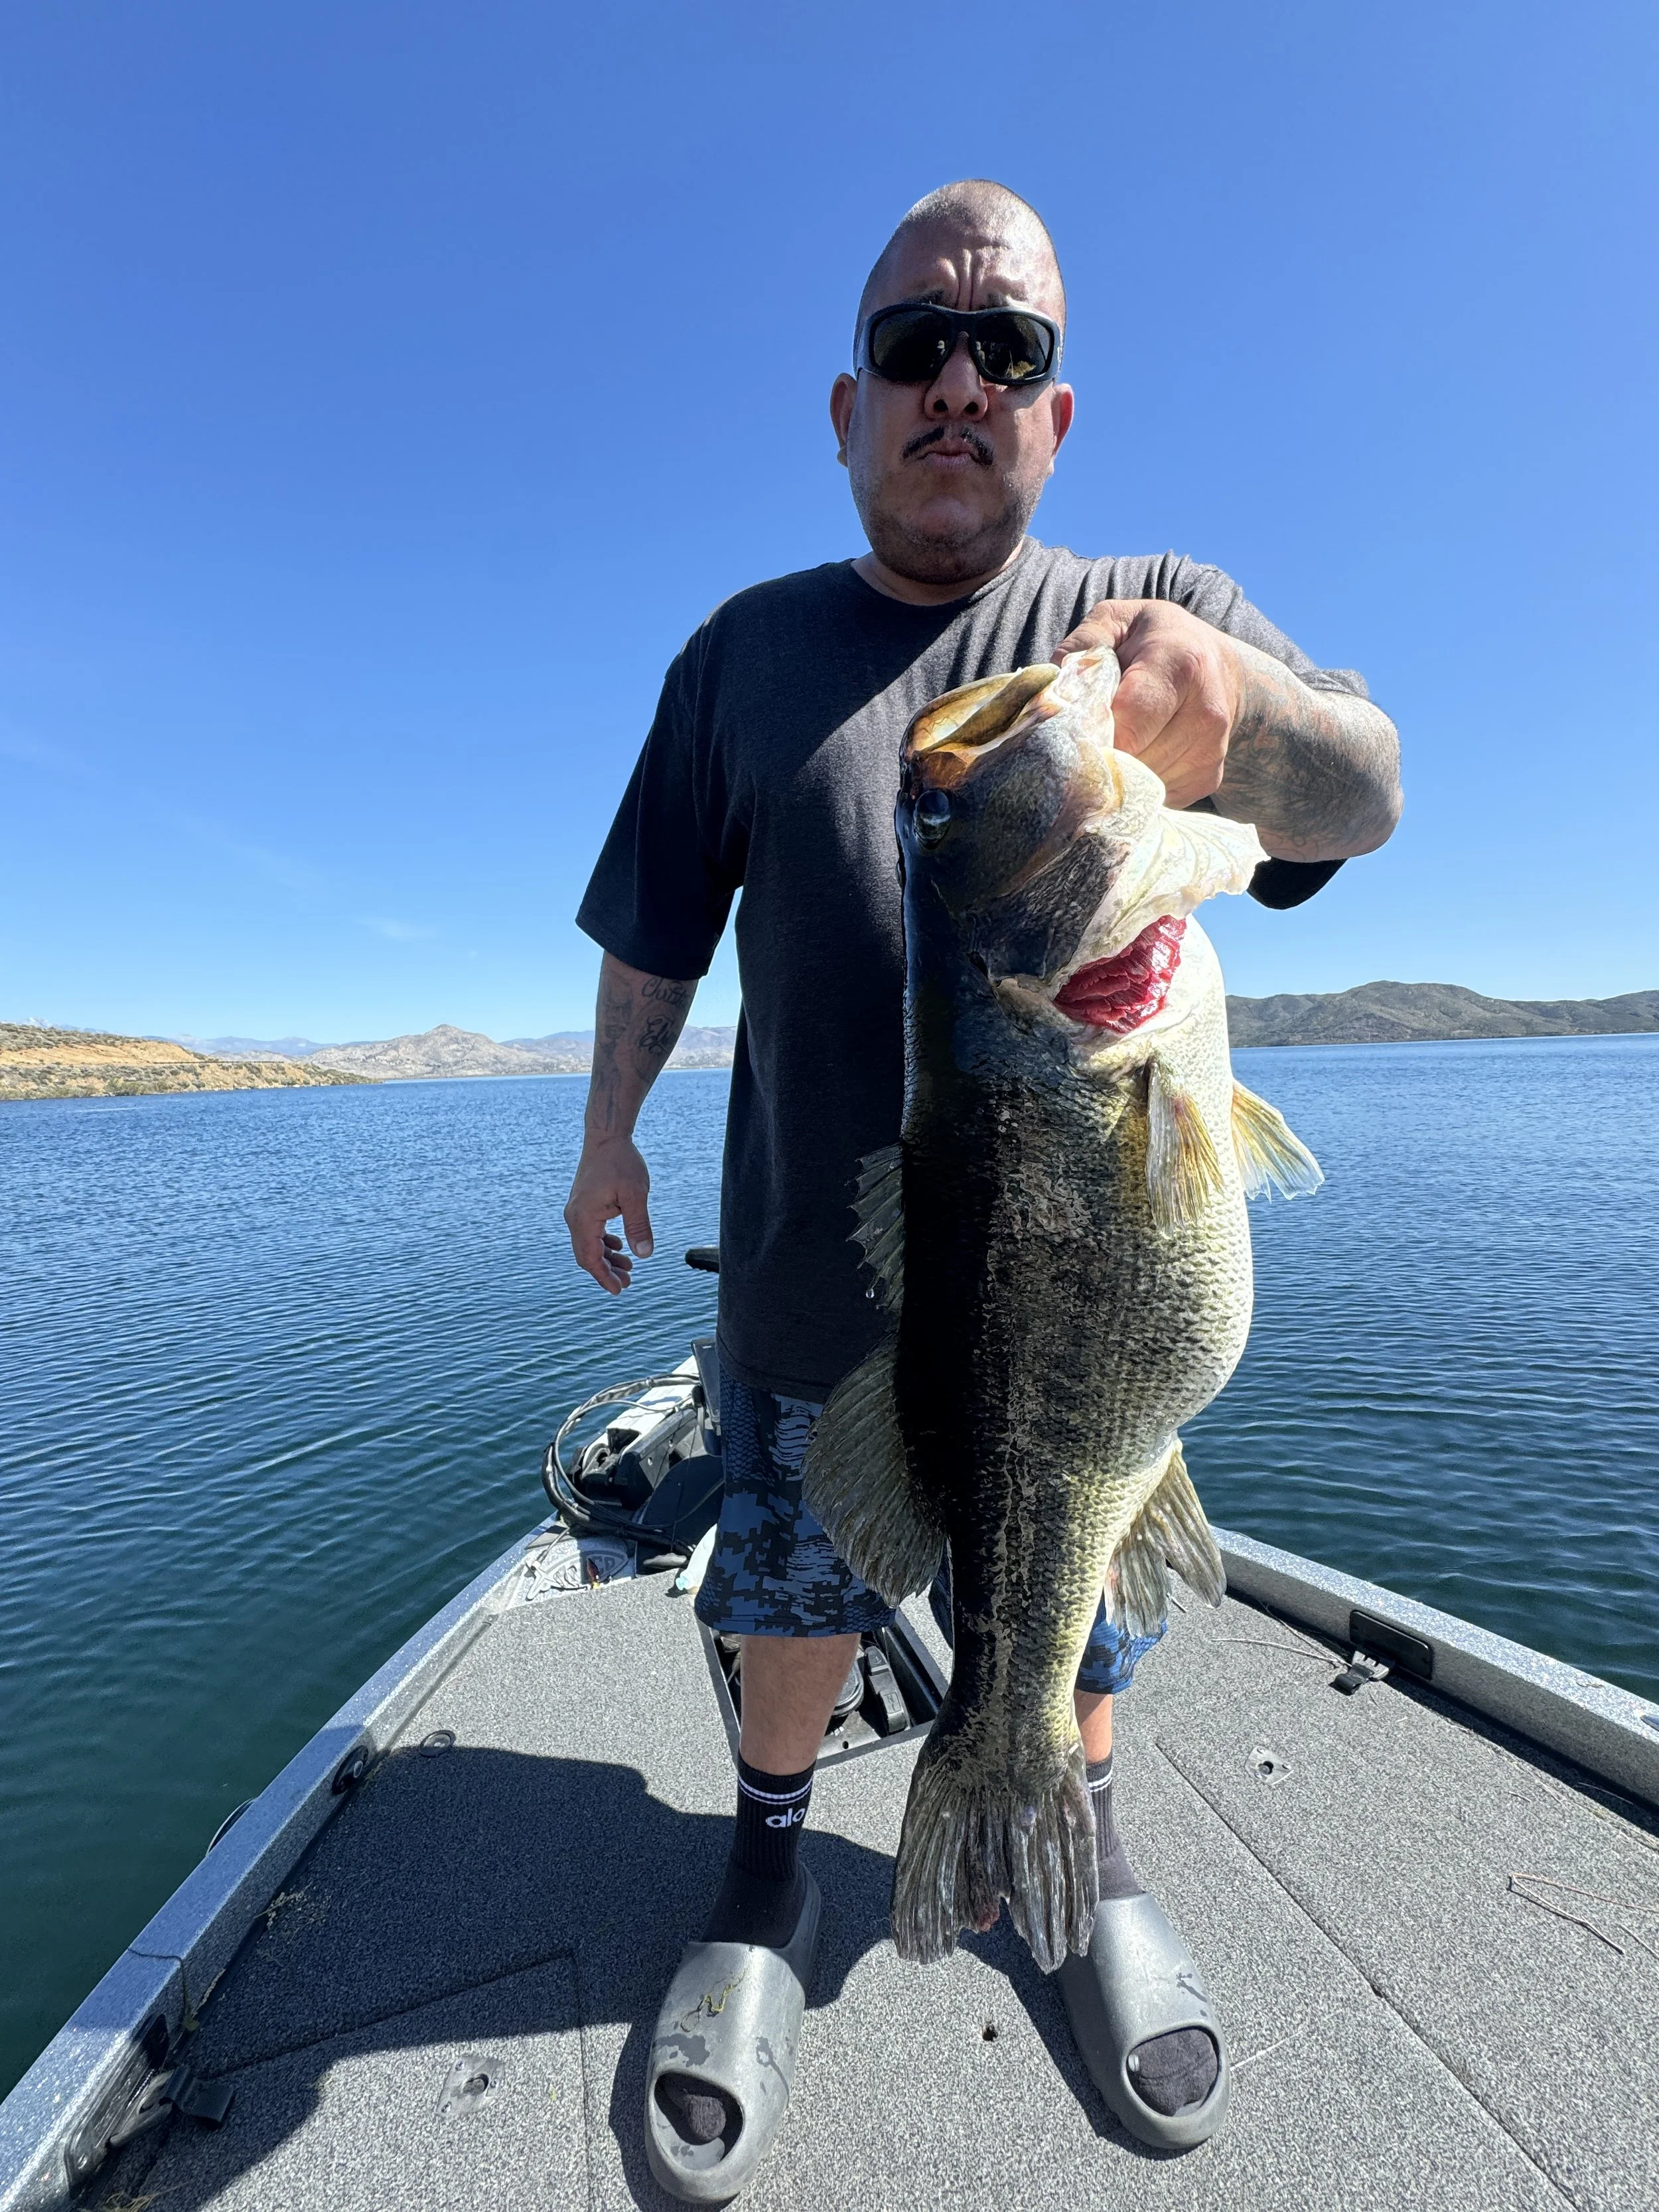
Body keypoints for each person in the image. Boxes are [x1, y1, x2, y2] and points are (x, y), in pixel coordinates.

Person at [565, 179, 1400, 2199]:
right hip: (793, 1284)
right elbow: (657, 931)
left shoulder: (1150, 622)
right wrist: (605, 1128)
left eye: (1000, 347)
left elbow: (1360, 789)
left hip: (1066, 1305)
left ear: (1054, 409)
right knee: (783, 1604)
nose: (957, 379)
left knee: (1078, 1619)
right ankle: (764, 1889)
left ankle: (1072, 1863)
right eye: (915, 346)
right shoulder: (741, 656)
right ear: (844, 406)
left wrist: (1244, 717)